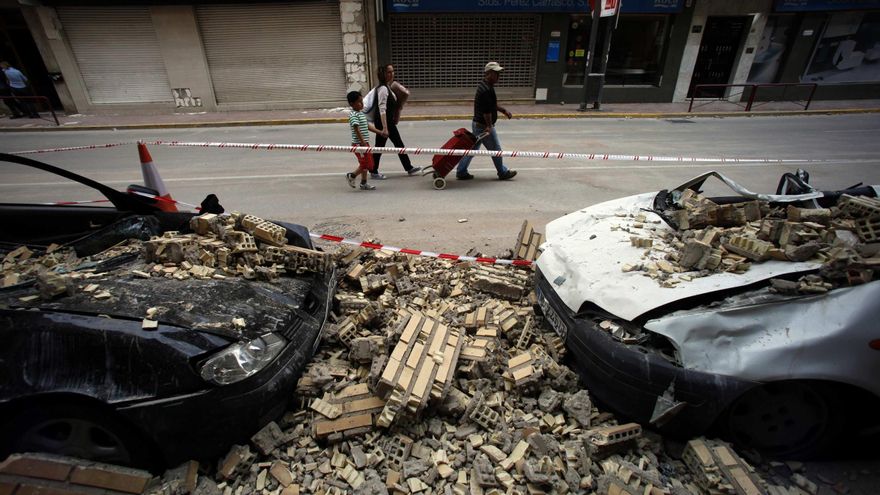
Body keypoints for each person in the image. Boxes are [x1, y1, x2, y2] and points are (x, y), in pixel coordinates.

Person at [455, 62, 517, 181]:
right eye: (496, 73)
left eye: (499, 73)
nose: (498, 76)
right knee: (496, 150)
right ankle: (502, 172)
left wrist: (503, 110)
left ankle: (461, 171)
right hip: (483, 125)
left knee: (473, 149)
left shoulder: (486, 86)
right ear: (488, 73)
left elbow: (492, 104)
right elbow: (487, 111)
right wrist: (489, 126)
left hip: (478, 124)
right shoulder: (486, 90)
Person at [371, 64, 422, 179]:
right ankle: (373, 170)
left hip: (388, 122)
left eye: (393, 71)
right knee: (380, 146)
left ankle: (408, 167)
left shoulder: (388, 87)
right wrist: (384, 128)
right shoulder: (383, 89)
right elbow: (382, 109)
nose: (392, 74)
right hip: (384, 123)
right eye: (389, 72)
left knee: (396, 144)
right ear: (383, 74)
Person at [346, 90, 384, 191]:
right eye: (359, 102)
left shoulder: (360, 113)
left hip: (364, 143)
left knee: (367, 163)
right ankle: (352, 176)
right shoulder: (354, 115)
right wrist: (362, 142)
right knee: (366, 164)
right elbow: (356, 129)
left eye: (362, 101)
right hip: (359, 144)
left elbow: (367, 126)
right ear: (352, 104)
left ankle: (364, 183)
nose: (362, 104)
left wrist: (379, 132)